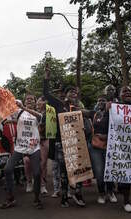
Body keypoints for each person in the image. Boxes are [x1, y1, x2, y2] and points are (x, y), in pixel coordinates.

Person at [43, 64, 85, 208]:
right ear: (66, 94)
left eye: (75, 92)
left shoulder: (80, 108)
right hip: (62, 143)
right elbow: (47, 94)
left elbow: (91, 115)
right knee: (64, 172)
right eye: (70, 92)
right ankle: (65, 197)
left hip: (78, 144)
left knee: (78, 171)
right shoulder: (60, 105)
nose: (73, 94)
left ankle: (78, 195)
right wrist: (46, 79)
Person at [0, 94, 42, 209]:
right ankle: (10, 198)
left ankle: (37, 199)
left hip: (34, 147)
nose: (29, 100)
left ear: (34, 102)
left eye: (31, 99)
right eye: (27, 99)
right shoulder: (19, 113)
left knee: (37, 173)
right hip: (20, 146)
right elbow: (7, 110)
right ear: (24, 100)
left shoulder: (38, 114)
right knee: (8, 169)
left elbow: (39, 117)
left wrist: (23, 107)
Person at [89, 95, 117, 204]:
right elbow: (80, 112)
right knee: (99, 171)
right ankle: (101, 193)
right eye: (99, 100)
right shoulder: (94, 114)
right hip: (96, 147)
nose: (100, 102)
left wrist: (107, 136)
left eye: (103, 101)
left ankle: (110, 192)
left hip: (110, 145)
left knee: (109, 170)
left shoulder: (114, 114)